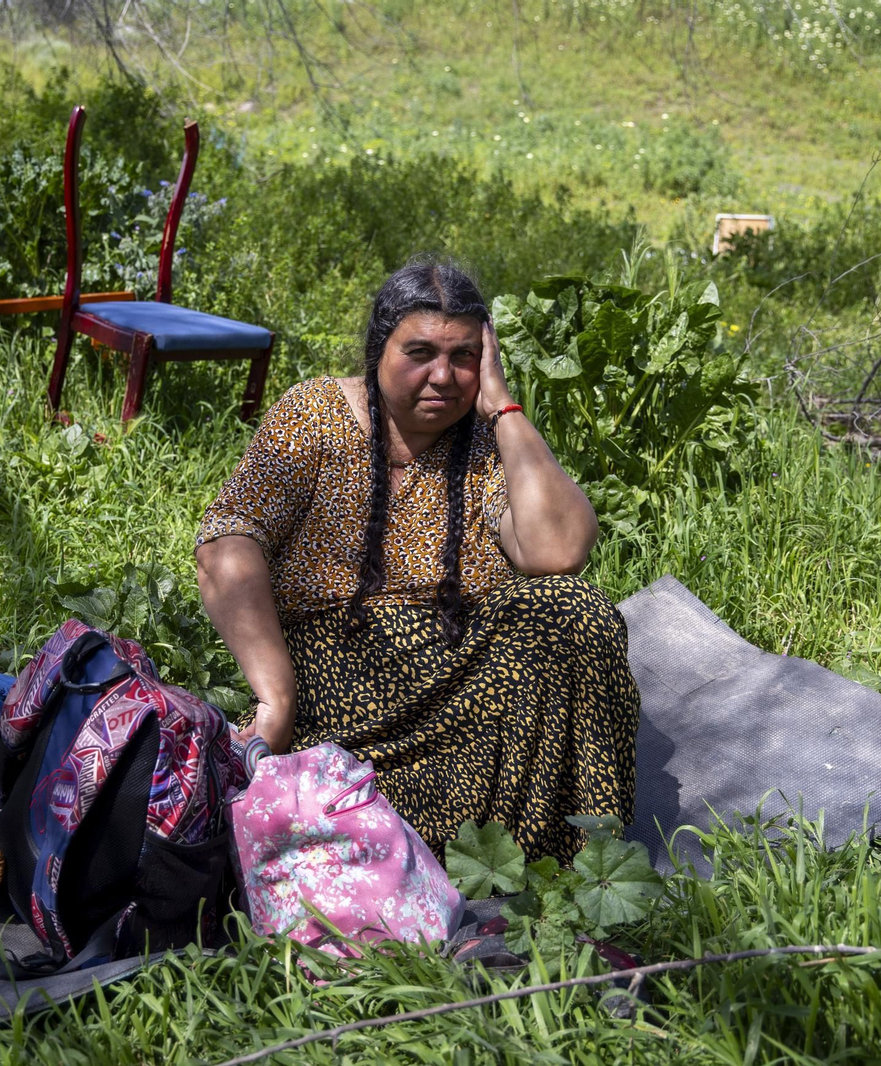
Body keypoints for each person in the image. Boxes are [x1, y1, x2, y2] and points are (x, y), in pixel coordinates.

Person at [194, 258, 639, 863]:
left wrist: (503, 408)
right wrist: (275, 698)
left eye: (464, 356)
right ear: (378, 350)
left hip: (464, 686)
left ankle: (556, 862)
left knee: (576, 611)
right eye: (420, 352)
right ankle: (424, 852)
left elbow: (556, 551)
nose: (443, 376)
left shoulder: (488, 444)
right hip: (340, 690)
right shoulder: (316, 414)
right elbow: (227, 543)